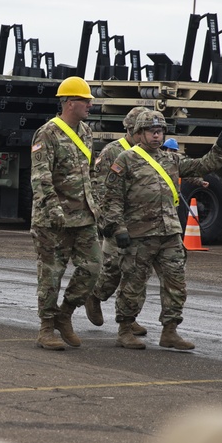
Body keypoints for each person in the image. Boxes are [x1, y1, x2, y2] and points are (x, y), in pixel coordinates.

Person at [102, 111, 222, 350]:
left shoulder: (171, 159)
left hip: (169, 233)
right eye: (151, 131)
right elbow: (112, 198)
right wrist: (118, 228)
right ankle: (125, 329)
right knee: (133, 284)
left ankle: (170, 331)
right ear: (139, 134)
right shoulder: (125, 159)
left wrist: (219, 148)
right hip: (139, 234)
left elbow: (201, 166)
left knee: (176, 283)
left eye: (160, 131)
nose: (156, 135)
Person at [29, 76, 101, 350]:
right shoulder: (46, 133)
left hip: (83, 216)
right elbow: (40, 176)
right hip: (52, 219)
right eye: (86, 100)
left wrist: (97, 207)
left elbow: (88, 174)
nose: (90, 105)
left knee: (93, 267)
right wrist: (52, 208)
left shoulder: (86, 132)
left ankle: (65, 314)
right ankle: (46, 328)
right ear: (70, 103)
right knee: (51, 273)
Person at [86, 106, 151, 335]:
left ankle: (129, 317)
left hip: (142, 222)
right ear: (131, 130)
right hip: (117, 220)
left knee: (137, 272)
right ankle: (95, 295)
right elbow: (100, 188)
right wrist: (107, 222)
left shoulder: (149, 151)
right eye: (141, 130)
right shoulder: (113, 152)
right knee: (114, 267)